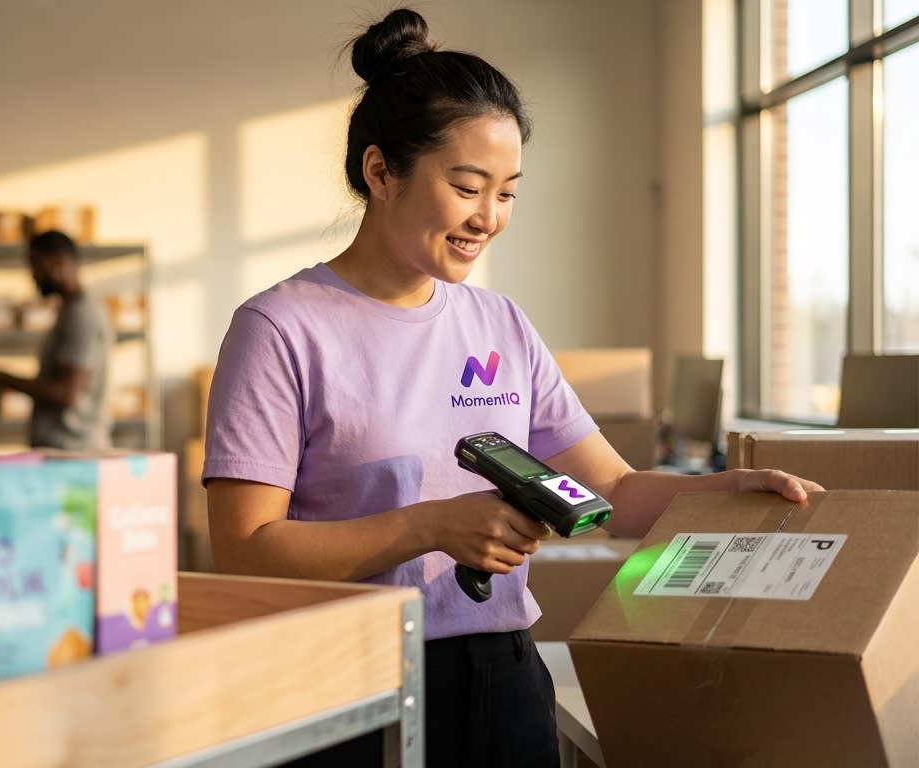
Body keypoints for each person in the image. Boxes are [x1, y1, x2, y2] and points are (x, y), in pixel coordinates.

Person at [200, 9, 823, 767]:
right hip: (339, 688)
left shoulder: (499, 324)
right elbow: (245, 552)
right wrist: (427, 527)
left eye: (508, 193)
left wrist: (727, 490)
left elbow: (611, 492)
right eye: (468, 186)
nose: (488, 218)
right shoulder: (280, 329)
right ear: (379, 171)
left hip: (499, 680)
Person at [0, 229, 111, 450]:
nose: (32, 276)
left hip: (73, 452)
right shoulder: (68, 310)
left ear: (58, 261)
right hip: (64, 450)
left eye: (36, 265)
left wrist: (0, 377)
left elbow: (66, 394)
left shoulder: (82, 315)